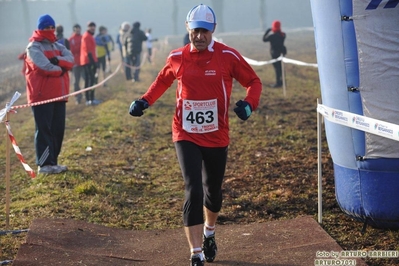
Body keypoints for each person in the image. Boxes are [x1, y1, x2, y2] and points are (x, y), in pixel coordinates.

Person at [128, 4, 262, 266]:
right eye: (195, 30)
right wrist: (145, 101)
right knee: (193, 189)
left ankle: (209, 233)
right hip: (185, 132)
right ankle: (196, 252)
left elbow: (253, 81)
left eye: (205, 31)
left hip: (216, 135)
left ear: (213, 30)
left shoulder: (227, 56)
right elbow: (164, 80)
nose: (199, 36)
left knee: (213, 191)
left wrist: (249, 104)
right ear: (188, 29)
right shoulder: (177, 56)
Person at [24, 14, 74, 174]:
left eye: (52, 27)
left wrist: (58, 61)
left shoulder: (57, 45)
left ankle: (54, 162)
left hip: (60, 94)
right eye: (47, 27)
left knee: (58, 129)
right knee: (44, 129)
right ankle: (44, 164)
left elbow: (71, 59)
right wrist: (62, 68)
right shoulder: (33, 47)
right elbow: (44, 67)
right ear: (40, 28)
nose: (50, 30)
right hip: (42, 96)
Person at [262, 20, 286, 88]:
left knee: (277, 69)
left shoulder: (272, 36)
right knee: (280, 68)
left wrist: (268, 31)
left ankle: (278, 82)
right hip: (281, 53)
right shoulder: (283, 35)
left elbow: (264, 39)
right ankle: (281, 82)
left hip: (274, 54)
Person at [81, 21, 100, 105]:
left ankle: (91, 98)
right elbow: (88, 51)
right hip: (88, 61)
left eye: (94, 27)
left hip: (91, 60)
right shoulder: (86, 36)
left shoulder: (91, 36)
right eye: (91, 27)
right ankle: (89, 99)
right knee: (90, 80)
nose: (93, 28)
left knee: (92, 80)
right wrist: (93, 62)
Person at [69, 23, 84, 104]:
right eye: (76, 29)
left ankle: (86, 94)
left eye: (79, 28)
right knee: (76, 81)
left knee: (85, 79)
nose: (78, 30)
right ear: (74, 30)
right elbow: (70, 51)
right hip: (75, 63)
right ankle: (77, 97)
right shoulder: (71, 39)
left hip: (84, 62)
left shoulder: (83, 38)